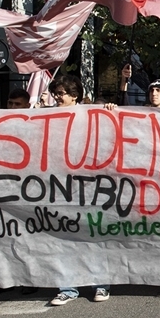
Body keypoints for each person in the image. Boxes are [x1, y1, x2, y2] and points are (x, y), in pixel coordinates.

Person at [47, 76, 112, 306]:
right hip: (59, 186)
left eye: (61, 93)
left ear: (74, 95)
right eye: (55, 93)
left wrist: (111, 110)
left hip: (89, 186)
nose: (57, 97)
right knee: (64, 236)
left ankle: (101, 284)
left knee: (93, 234)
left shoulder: (91, 115)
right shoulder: (47, 116)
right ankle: (67, 287)